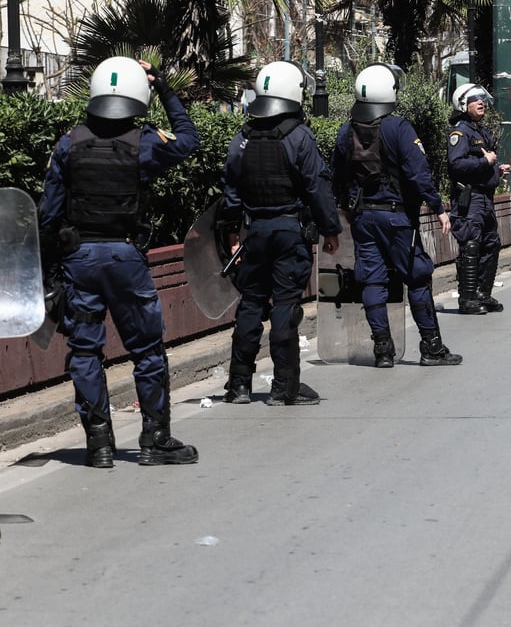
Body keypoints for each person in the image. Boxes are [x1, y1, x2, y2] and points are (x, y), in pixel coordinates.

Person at [38, 56, 200, 468]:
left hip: (79, 259)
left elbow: (48, 216)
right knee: (147, 348)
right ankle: (155, 439)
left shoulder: (67, 144)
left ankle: (99, 445)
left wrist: (50, 272)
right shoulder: (144, 143)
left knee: (85, 351)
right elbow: (187, 139)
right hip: (126, 258)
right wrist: (164, 87)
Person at [219, 60, 342, 406]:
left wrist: (232, 233)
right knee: (286, 307)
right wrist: (330, 229)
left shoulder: (242, 139)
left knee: (251, 303)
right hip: (289, 230)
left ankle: (238, 385)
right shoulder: (299, 137)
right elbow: (317, 187)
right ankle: (285, 387)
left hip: (254, 232)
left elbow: (230, 190)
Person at [331, 63, 462, 367]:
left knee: (372, 281)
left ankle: (382, 351)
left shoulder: (346, 130)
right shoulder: (399, 128)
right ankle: (431, 348)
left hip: (363, 219)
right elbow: (419, 174)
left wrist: (347, 209)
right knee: (417, 277)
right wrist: (438, 207)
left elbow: (337, 177)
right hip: (398, 219)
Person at [447, 83, 509, 315]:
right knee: (471, 245)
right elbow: (456, 165)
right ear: (463, 104)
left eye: (482, 98)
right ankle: (468, 298)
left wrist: (495, 170)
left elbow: (480, 164)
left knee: (491, 244)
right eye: (474, 99)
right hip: (469, 198)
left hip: (485, 198)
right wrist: (485, 162)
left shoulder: (480, 131)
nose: (480, 102)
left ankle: (483, 293)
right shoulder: (460, 132)